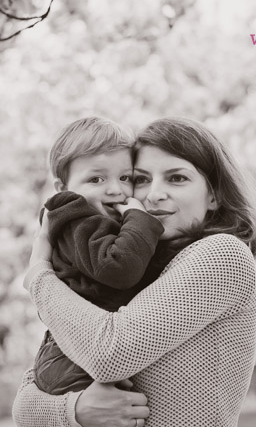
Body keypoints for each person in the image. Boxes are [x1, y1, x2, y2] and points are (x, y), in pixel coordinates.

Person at [13, 117, 256, 427]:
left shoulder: (222, 256)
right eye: (142, 179)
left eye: (176, 178)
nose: (153, 195)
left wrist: (39, 275)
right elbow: (26, 400)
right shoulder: (138, 267)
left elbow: (109, 354)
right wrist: (74, 410)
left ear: (213, 194)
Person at [33, 117, 167, 395]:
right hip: (72, 361)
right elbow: (118, 268)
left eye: (125, 178)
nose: (115, 189)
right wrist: (140, 220)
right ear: (63, 189)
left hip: (84, 347)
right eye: (96, 178)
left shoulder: (100, 222)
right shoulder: (74, 216)